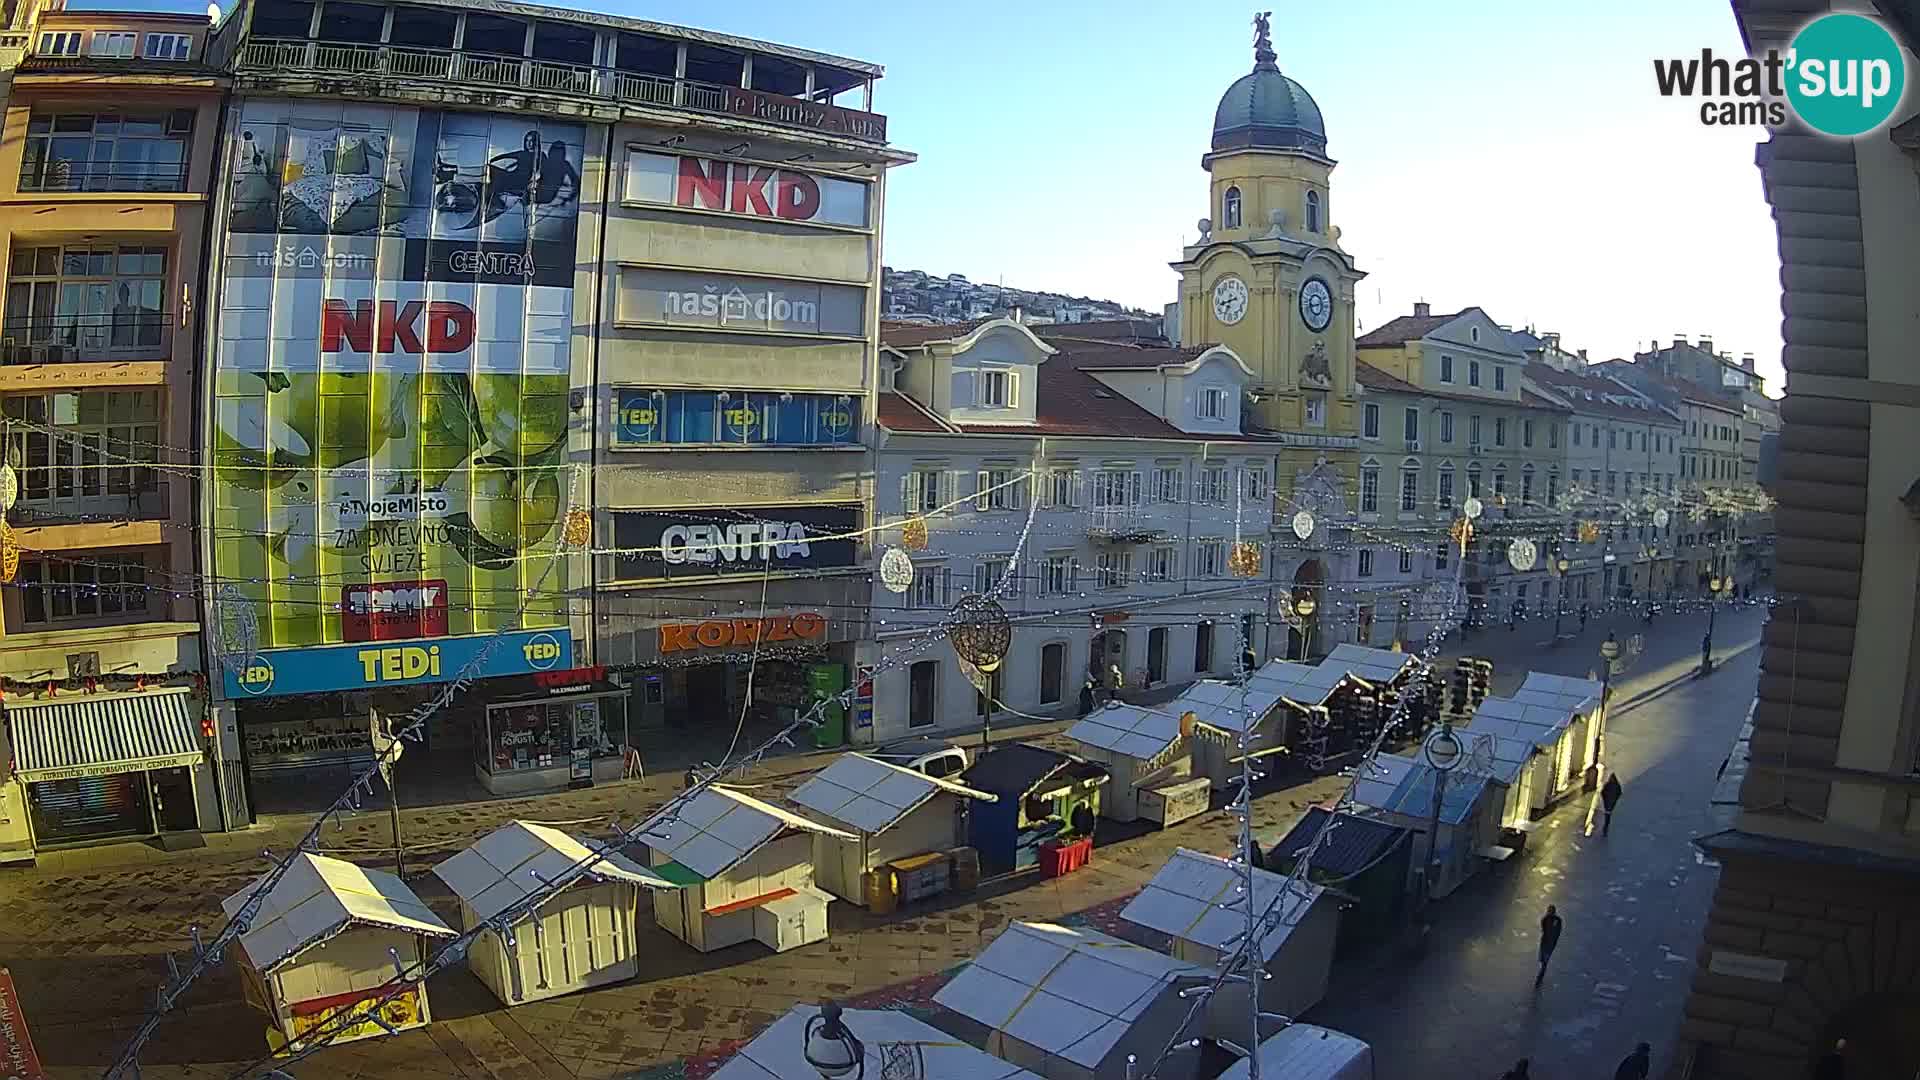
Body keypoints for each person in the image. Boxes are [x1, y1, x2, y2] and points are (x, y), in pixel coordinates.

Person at [1535, 904, 1563, 988]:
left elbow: (1557, 931)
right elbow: (1544, 927)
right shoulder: (1547, 919)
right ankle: (1541, 974)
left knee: (1544, 961)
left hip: (1549, 943)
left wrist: (1552, 938)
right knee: (1542, 959)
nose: (1549, 912)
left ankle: (1540, 977)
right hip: (1546, 942)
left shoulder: (1556, 920)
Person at [1601, 772, 1623, 836]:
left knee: (1607, 814)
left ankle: (1605, 827)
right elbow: (1619, 793)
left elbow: (1603, 792)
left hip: (1607, 802)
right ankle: (1606, 827)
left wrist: (1604, 799)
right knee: (1608, 814)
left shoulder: (1608, 785)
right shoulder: (1617, 785)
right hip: (1612, 803)